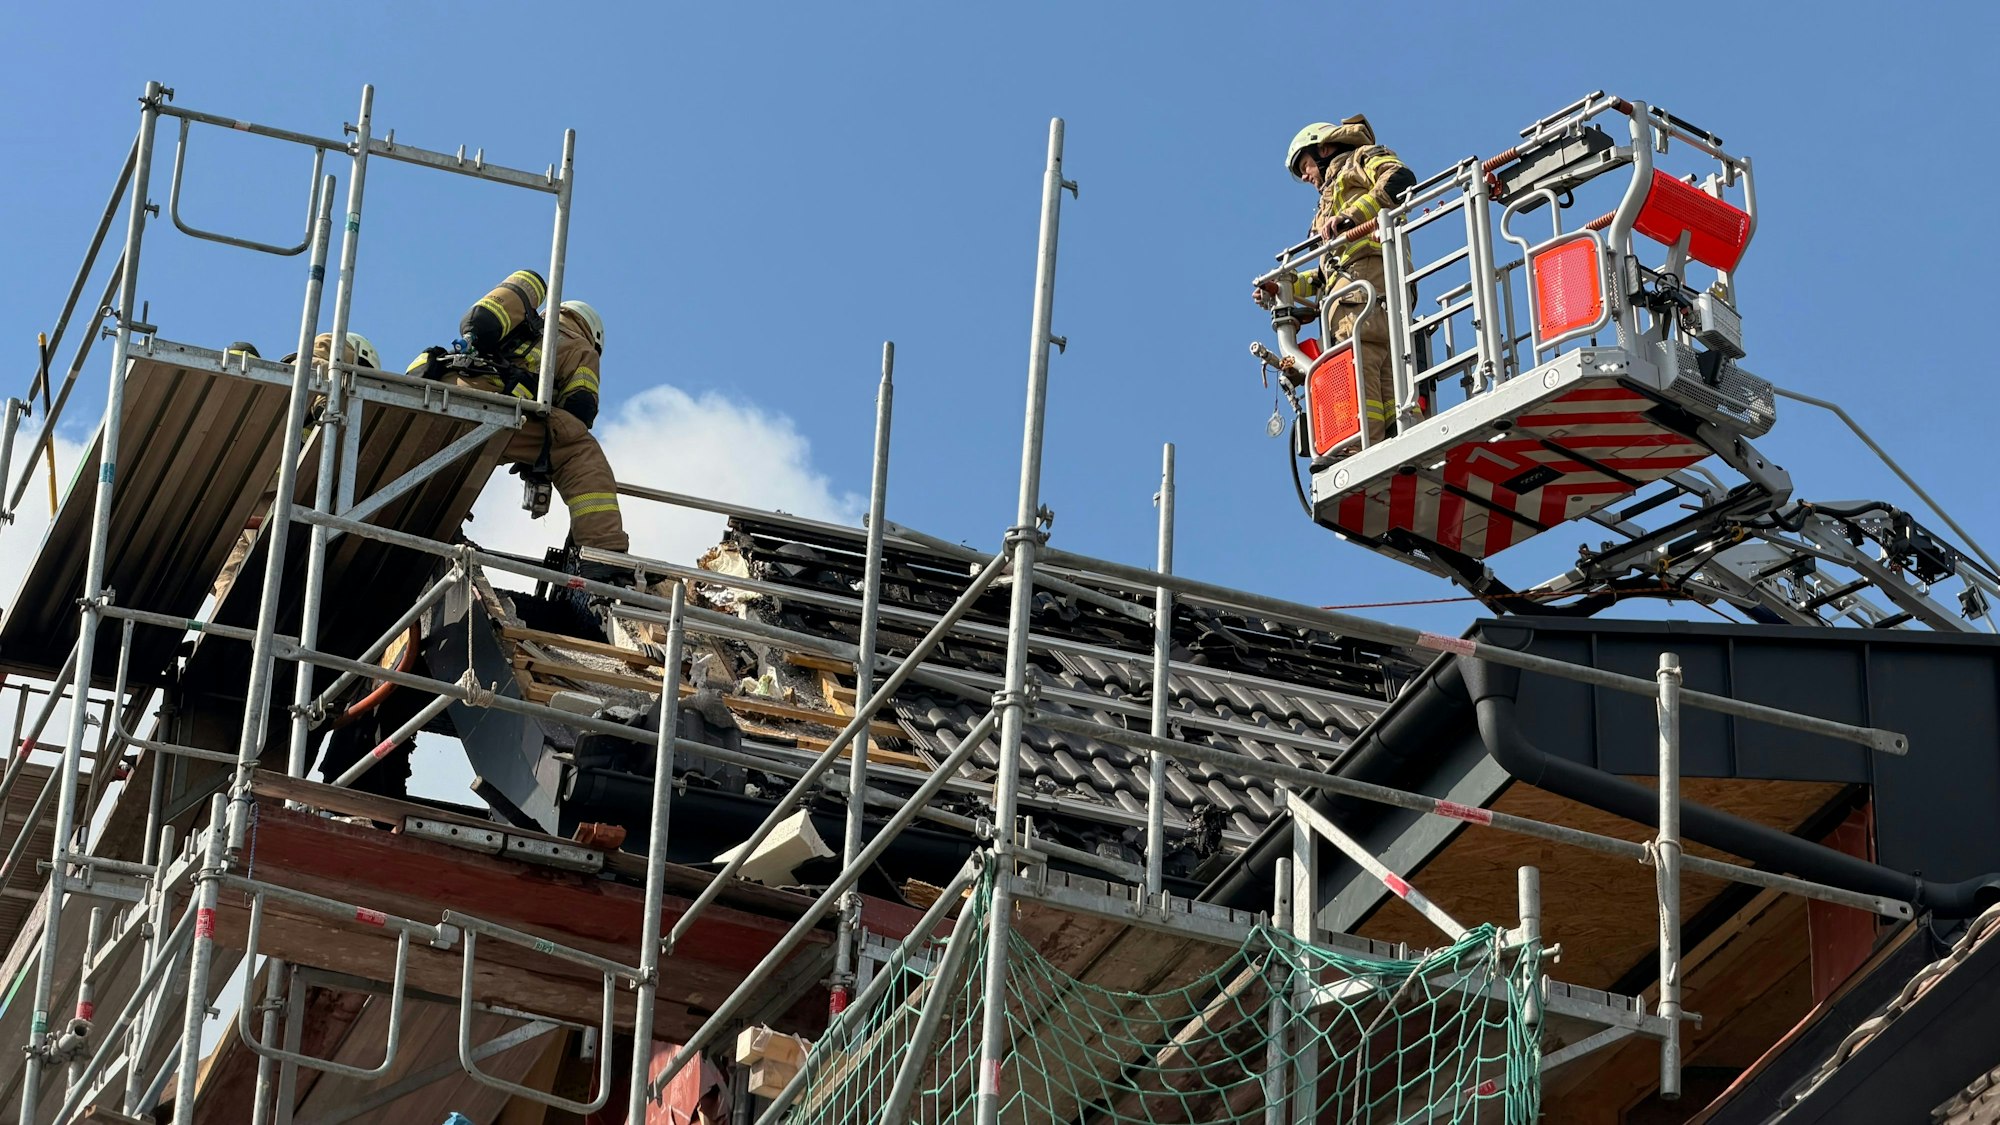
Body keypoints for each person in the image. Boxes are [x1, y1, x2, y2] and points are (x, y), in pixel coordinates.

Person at [419, 269, 629, 571]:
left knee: (466, 456)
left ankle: (442, 525)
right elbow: (580, 408)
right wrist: (542, 457)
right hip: (491, 408)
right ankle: (603, 554)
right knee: (578, 449)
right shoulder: (579, 346)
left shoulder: (519, 326)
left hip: (438, 399)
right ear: (593, 335)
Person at [1257, 116, 1417, 446]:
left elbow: (1399, 179)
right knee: (1381, 369)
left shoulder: (1361, 159)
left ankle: (1361, 447)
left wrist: (1351, 217)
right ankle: (1399, 435)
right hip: (1349, 288)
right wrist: (1282, 288)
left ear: (1324, 149)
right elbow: (1322, 277)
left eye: (1304, 165)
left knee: (1356, 359)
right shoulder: (1326, 205)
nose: (1305, 176)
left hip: (1365, 280)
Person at [210, 331, 378, 603]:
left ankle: (228, 619)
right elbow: (328, 396)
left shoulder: (285, 376)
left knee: (234, 570)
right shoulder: (316, 368)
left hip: (245, 493)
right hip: (270, 492)